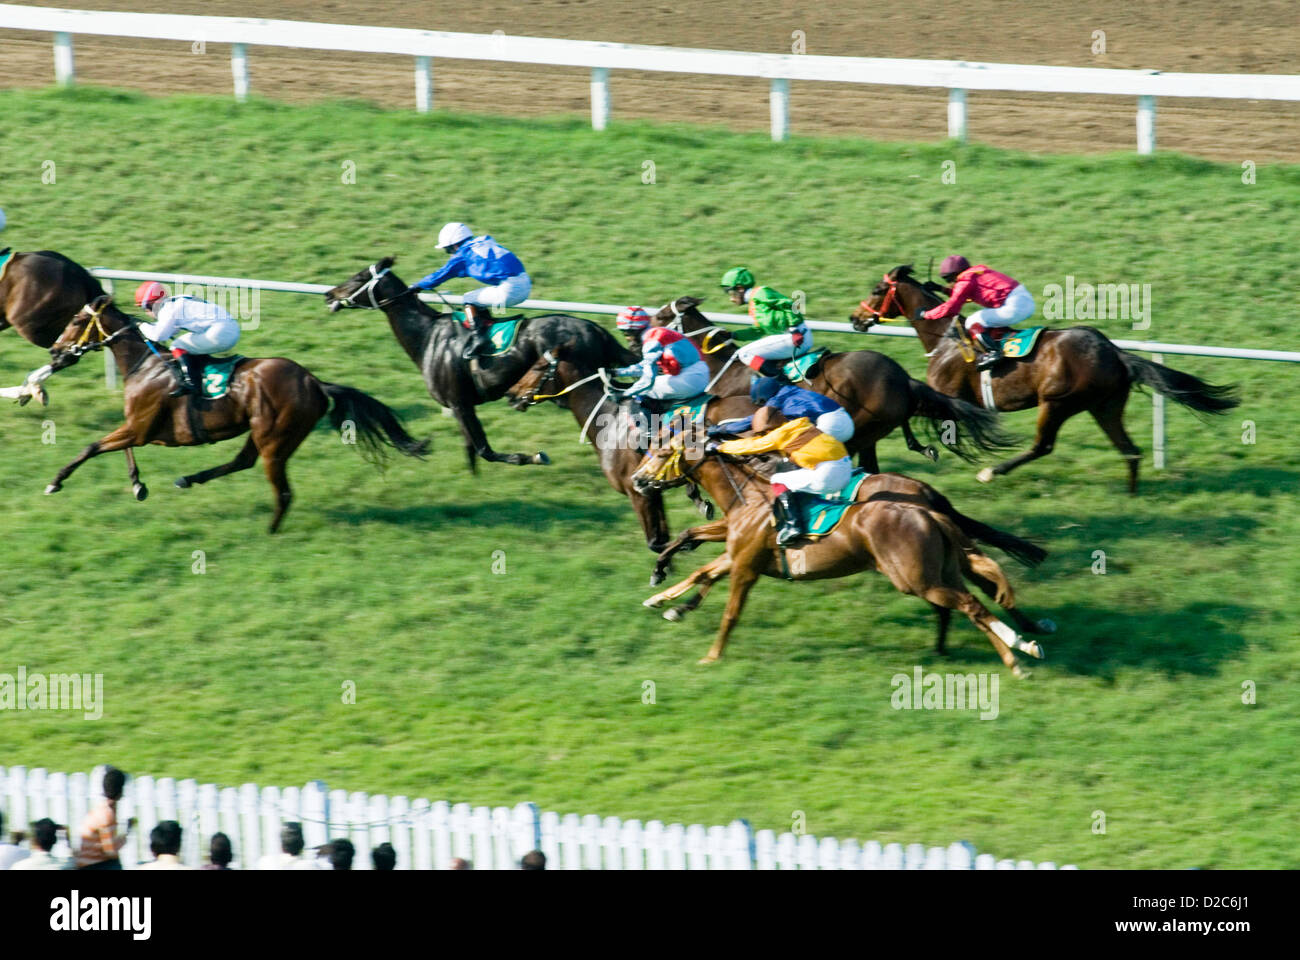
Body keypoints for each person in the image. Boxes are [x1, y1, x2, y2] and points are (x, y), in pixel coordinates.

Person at [711, 416, 853, 545]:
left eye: (765, 433)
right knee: (792, 469)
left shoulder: (779, 435)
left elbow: (753, 446)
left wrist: (720, 447)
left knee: (778, 479)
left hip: (830, 475)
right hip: (847, 467)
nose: (767, 436)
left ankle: (793, 525)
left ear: (770, 429)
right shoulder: (801, 424)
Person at [407, 222, 531, 359]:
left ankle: (478, 338)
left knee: (468, 298)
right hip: (525, 281)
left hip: (510, 289)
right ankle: (487, 327)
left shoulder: (463, 254)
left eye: (448, 250)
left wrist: (416, 286)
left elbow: (440, 275)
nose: (449, 254)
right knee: (477, 298)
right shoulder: (484, 242)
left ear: (455, 245)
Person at [923, 255, 1036, 369]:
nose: (949, 282)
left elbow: (951, 307)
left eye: (948, 278)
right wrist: (941, 289)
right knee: (985, 317)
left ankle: (994, 352)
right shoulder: (976, 273)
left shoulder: (966, 280)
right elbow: (965, 297)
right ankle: (999, 340)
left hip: (1014, 305)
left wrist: (926, 315)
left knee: (972, 321)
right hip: (1022, 300)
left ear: (955, 274)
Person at [134, 281, 242, 396]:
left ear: (156, 302)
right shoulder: (177, 301)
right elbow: (171, 329)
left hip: (220, 332)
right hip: (228, 328)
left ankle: (189, 383)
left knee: (177, 345)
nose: (147, 312)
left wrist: (141, 325)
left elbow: (158, 335)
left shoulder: (168, 309)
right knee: (186, 342)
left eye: (146, 307)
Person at [719, 267, 812, 379]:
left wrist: (794, 328)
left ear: (740, 288)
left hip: (797, 336)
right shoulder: (754, 304)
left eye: (731, 293)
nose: (731, 299)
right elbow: (758, 331)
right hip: (791, 337)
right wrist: (732, 335)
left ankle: (781, 381)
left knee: (744, 353)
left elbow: (789, 304)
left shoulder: (760, 293)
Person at [712, 376, 854, 444]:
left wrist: (721, 430)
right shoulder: (789, 391)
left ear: (764, 399)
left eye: (761, 405)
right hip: (845, 419)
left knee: (795, 451)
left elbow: (752, 421)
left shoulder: (776, 401)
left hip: (832, 424)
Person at [611, 322, 710, 410]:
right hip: (703, 374)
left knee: (643, 390)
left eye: (625, 333)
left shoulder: (651, 341)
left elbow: (648, 379)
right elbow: (644, 366)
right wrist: (617, 372)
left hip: (689, 380)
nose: (627, 338)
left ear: (634, 331)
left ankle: (647, 428)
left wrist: (625, 394)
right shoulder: (658, 332)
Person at [76, 766, 132, 870]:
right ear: (120, 790)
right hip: (95, 865)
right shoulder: (107, 815)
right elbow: (110, 852)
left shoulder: (100, 809)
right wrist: (126, 834)